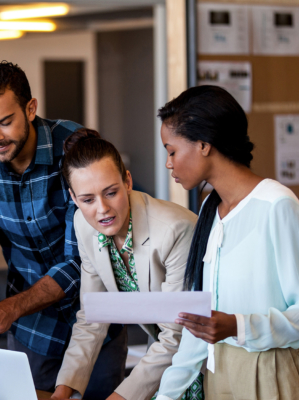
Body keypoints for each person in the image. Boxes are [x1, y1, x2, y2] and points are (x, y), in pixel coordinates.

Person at [0, 61, 125, 396]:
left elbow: (83, 258)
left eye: (4, 122)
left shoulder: (75, 150)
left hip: (97, 318)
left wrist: (9, 308)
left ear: (30, 108)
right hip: (32, 330)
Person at [155, 85, 299, 400]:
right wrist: (165, 395)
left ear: (204, 145)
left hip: (273, 374)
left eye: (172, 151)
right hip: (218, 375)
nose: (169, 163)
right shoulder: (210, 208)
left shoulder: (277, 206)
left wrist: (238, 326)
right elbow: (201, 324)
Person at [49, 129, 197, 400]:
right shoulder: (82, 224)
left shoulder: (175, 229)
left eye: (111, 192)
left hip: (201, 355)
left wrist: (119, 398)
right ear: (73, 198)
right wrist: (63, 390)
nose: (102, 209)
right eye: (88, 200)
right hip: (163, 356)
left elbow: (178, 333)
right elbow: (93, 315)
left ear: (127, 181)